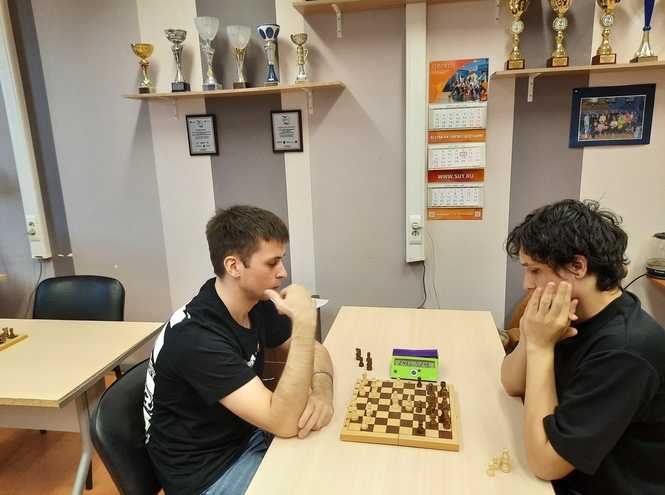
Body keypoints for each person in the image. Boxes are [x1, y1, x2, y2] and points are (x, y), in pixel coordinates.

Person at [143, 205, 334, 495]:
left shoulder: (256, 302)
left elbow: (316, 351)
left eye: (282, 260)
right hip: (206, 474)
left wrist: (322, 391)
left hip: (247, 435)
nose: (283, 273)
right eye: (272, 263)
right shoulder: (197, 338)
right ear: (234, 266)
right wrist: (304, 322)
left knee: (333, 458)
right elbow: (282, 421)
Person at [501, 199, 665, 495]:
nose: (527, 283)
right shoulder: (567, 313)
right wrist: (531, 338)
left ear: (577, 266)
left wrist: (541, 347)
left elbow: (545, 464)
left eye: (535, 270)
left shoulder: (624, 351)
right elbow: (512, 383)